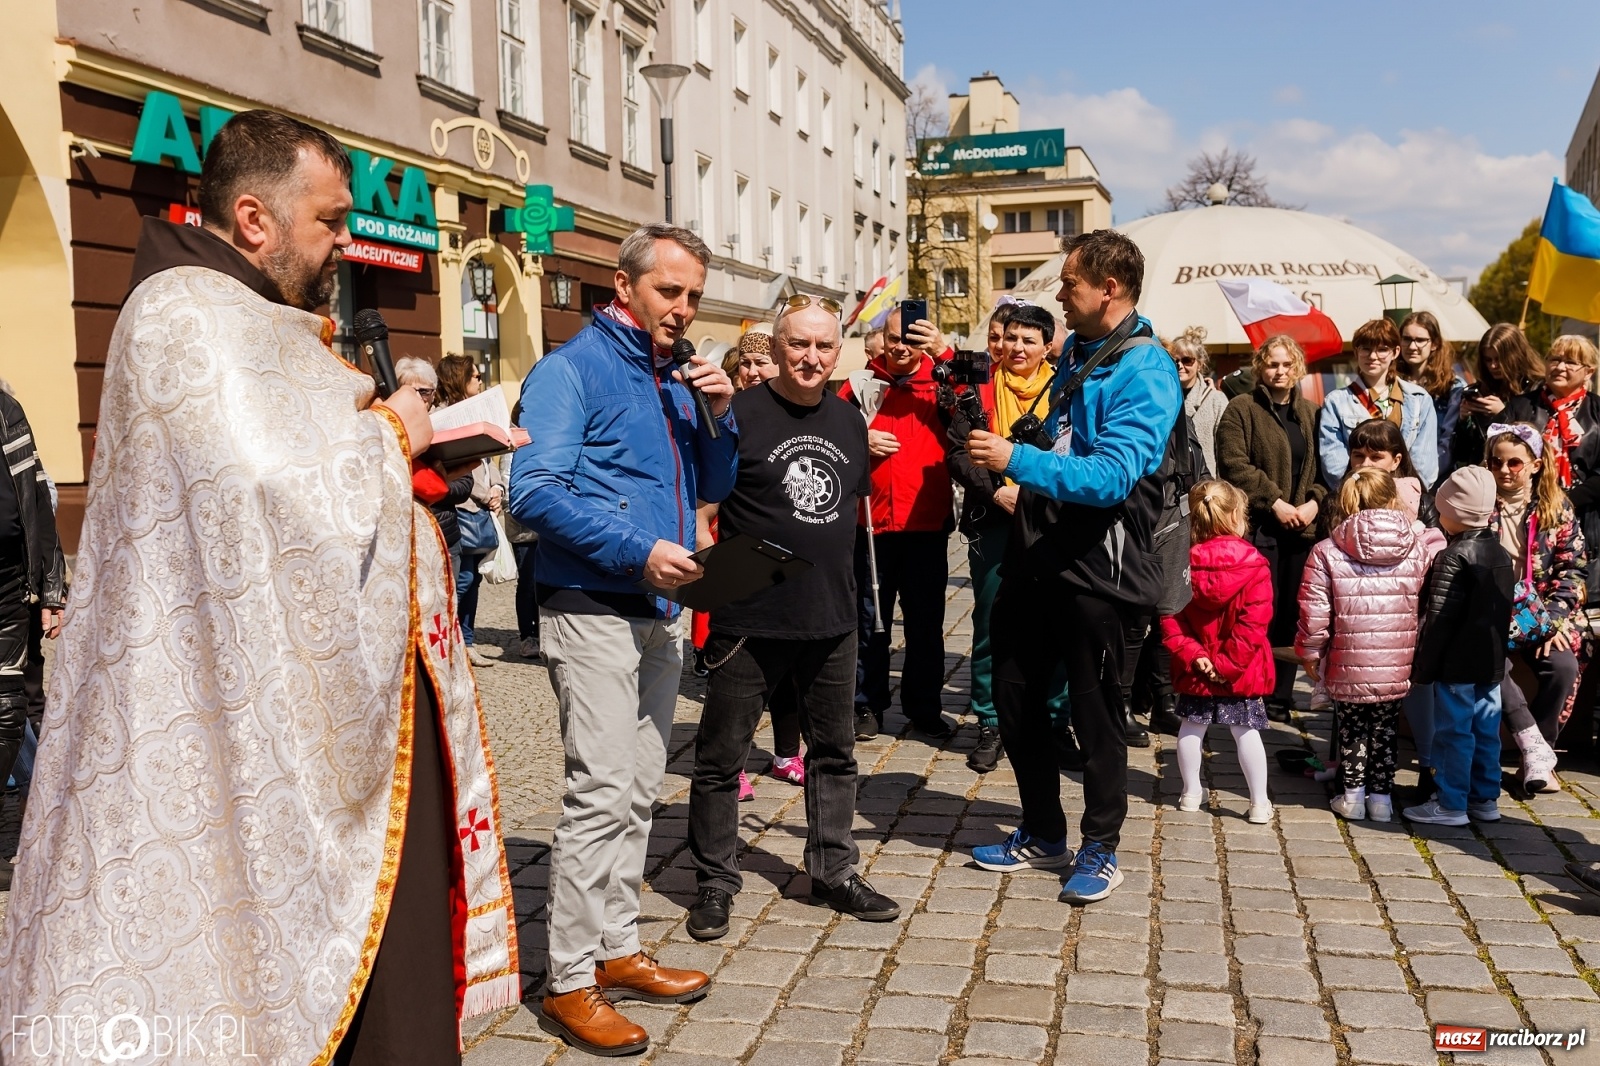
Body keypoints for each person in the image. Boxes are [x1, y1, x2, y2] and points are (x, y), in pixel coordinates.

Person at [0, 110, 519, 1064]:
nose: (344, 242)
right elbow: (282, 492)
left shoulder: (253, 321)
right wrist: (399, 430)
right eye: (328, 220)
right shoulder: (184, 317)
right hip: (215, 710)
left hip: (298, 695)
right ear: (253, 218)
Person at [510, 222, 737, 1056]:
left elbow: (713, 484)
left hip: (661, 610)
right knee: (599, 791)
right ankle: (569, 978)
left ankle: (615, 947)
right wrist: (636, 550)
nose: (682, 308)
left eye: (693, 296)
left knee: (640, 788)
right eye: (669, 291)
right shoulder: (571, 370)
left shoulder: (676, 376)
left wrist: (719, 413)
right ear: (624, 285)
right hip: (594, 601)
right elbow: (532, 492)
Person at [963, 229, 1183, 905]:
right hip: (1042, 551)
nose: (1058, 294)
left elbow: (1113, 476)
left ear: (1108, 288)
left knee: (1095, 712)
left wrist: (1015, 461)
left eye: (1069, 284)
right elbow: (1070, 440)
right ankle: (1042, 829)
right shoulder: (1083, 355)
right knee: (1015, 693)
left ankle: (1101, 846)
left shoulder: (1145, 368)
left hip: (1101, 566)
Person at [684, 295, 899, 941]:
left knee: (835, 754)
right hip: (749, 617)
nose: (811, 357)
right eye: (798, 344)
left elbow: (843, 512)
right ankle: (715, 882)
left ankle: (833, 871)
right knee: (721, 759)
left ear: (840, 351)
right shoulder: (737, 414)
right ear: (775, 346)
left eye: (823, 346)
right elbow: (704, 502)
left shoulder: (849, 421)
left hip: (831, 618)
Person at [946, 303, 1073, 773]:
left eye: (1028, 340)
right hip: (994, 519)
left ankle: (1057, 723)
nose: (1016, 348)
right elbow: (959, 451)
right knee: (992, 622)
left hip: (1051, 520)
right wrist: (998, 491)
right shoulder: (976, 386)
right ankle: (990, 721)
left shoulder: (1066, 389)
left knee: (1058, 621)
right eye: (1009, 338)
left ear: (1046, 346)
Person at [695, 328, 805, 800]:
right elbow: (709, 491)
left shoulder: (794, 411)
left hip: (786, 554)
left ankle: (786, 753)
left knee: (788, 664)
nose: (753, 371)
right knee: (732, 666)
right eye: (747, 364)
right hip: (735, 551)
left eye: (763, 364)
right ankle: (732, 763)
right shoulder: (724, 414)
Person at [839, 305, 954, 740]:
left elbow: (975, 404)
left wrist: (944, 353)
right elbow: (829, 433)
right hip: (869, 525)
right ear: (881, 340)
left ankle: (924, 706)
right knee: (869, 620)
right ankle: (866, 703)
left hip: (925, 523)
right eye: (893, 338)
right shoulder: (859, 384)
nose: (901, 347)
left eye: (910, 338)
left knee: (925, 623)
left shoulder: (940, 381)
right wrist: (858, 438)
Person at [1297, 468, 1432, 823]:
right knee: (1386, 729)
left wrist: (1311, 652)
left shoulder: (1327, 550)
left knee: (1352, 727)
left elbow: (1314, 610)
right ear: (1393, 499)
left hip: (1347, 657)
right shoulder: (1417, 547)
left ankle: (1353, 795)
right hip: (1397, 658)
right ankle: (1382, 799)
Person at [1215, 336, 1326, 719]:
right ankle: (1252, 689)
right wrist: (1275, 502)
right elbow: (1234, 463)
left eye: (1286, 364)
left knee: (1294, 614)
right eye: (1272, 364)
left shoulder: (1313, 414)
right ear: (1260, 366)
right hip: (1261, 528)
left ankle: (1280, 693)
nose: (1279, 371)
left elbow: (1328, 467)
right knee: (1257, 612)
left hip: (1304, 530)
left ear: (1297, 368)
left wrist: (1312, 503)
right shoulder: (1241, 409)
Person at [1404, 466, 1514, 826]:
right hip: (1490, 662)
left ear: (1452, 513)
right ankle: (1484, 798)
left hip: (1456, 664)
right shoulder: (1499, 553)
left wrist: (1424, 666)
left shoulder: (1452, 557)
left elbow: (1439, 619)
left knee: (1453, 732)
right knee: (1486, 729)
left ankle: (1450, 803)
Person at [1161, 481, 1275, 824]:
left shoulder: (1180, 563)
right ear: (1237, 515)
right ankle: (1258, 802)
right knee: (1246, 731)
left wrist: (1196, 655)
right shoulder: (1254, 565)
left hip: (1197, 665)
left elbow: (1170, 618)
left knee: (1191, 728)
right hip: (1238, 669)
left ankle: (1190, 793)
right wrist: (1226, 665)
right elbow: (1253, 625)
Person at [1484, 423, 1586, 794]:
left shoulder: (1555, 510)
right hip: (1489, 614)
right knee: (1492, 664)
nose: (1505, 471)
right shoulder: (1479, 503)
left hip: (1538, 613)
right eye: (1496, 463)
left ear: (1535, 465)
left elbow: (1572, 568)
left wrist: (1552, 623)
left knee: (1562, 666)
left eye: (1514, 463)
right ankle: (1533, 746)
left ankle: (1537, 756)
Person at [0, 387, 63, 878]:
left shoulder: (7, 411)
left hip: (9, 581)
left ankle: (10, 842)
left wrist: (52, 587)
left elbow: (38, 500)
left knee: (10, 709)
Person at [437, 354, 505, 669]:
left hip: (480, 507)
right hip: (462, 508)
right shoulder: (443, 418)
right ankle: (450, 640)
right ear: (459, 380)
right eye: (475, 376)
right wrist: (482, 494)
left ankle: (467, 641)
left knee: (473, 580)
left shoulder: (476, 416)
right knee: (460, 579)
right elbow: (458, 469)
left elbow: (487, 462)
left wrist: (497, 490)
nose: (480, 380)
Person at [1320, 317, 1439, 488]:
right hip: (1356, 498)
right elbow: (1334, 464)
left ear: (1395, 352)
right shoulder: (1336, 402)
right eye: (1365, 349)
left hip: (1405, 501)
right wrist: (1362, 493)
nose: (1373, 356)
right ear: (1356, 352)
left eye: (1382, 350)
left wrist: (1403, 496)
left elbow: (1424, 464)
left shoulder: (1419, 399)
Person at [1451, 324, 1542, 474]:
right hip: (1483, 474)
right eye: (1488, 359)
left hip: (1521, 474)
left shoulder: (1535, 388)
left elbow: (1537, 441)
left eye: (1499, 359)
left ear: (1516, 355)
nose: (1493, 366)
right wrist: (1463, 421)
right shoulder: (1480, 390)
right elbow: (1461, 453)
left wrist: (1504, 414)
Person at [1397, 311, 1465, 482]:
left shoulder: (1452, 387)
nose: (1412, 346)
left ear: (1434, 344)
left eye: (1420, 340)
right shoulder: (1391, 383)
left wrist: (1421, 479)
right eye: (1406, 339)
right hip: (1394, 476)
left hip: (1436, 479)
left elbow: (1448, 442)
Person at [1170, 326, 1227, 477]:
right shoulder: (1162, 398)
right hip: (1170, 487)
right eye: (1174, 361)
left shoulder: (1216, 400)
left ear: (1200, 364)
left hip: (1206, 486)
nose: (1180, 365)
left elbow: (1225, 452)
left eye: (1187, 360)